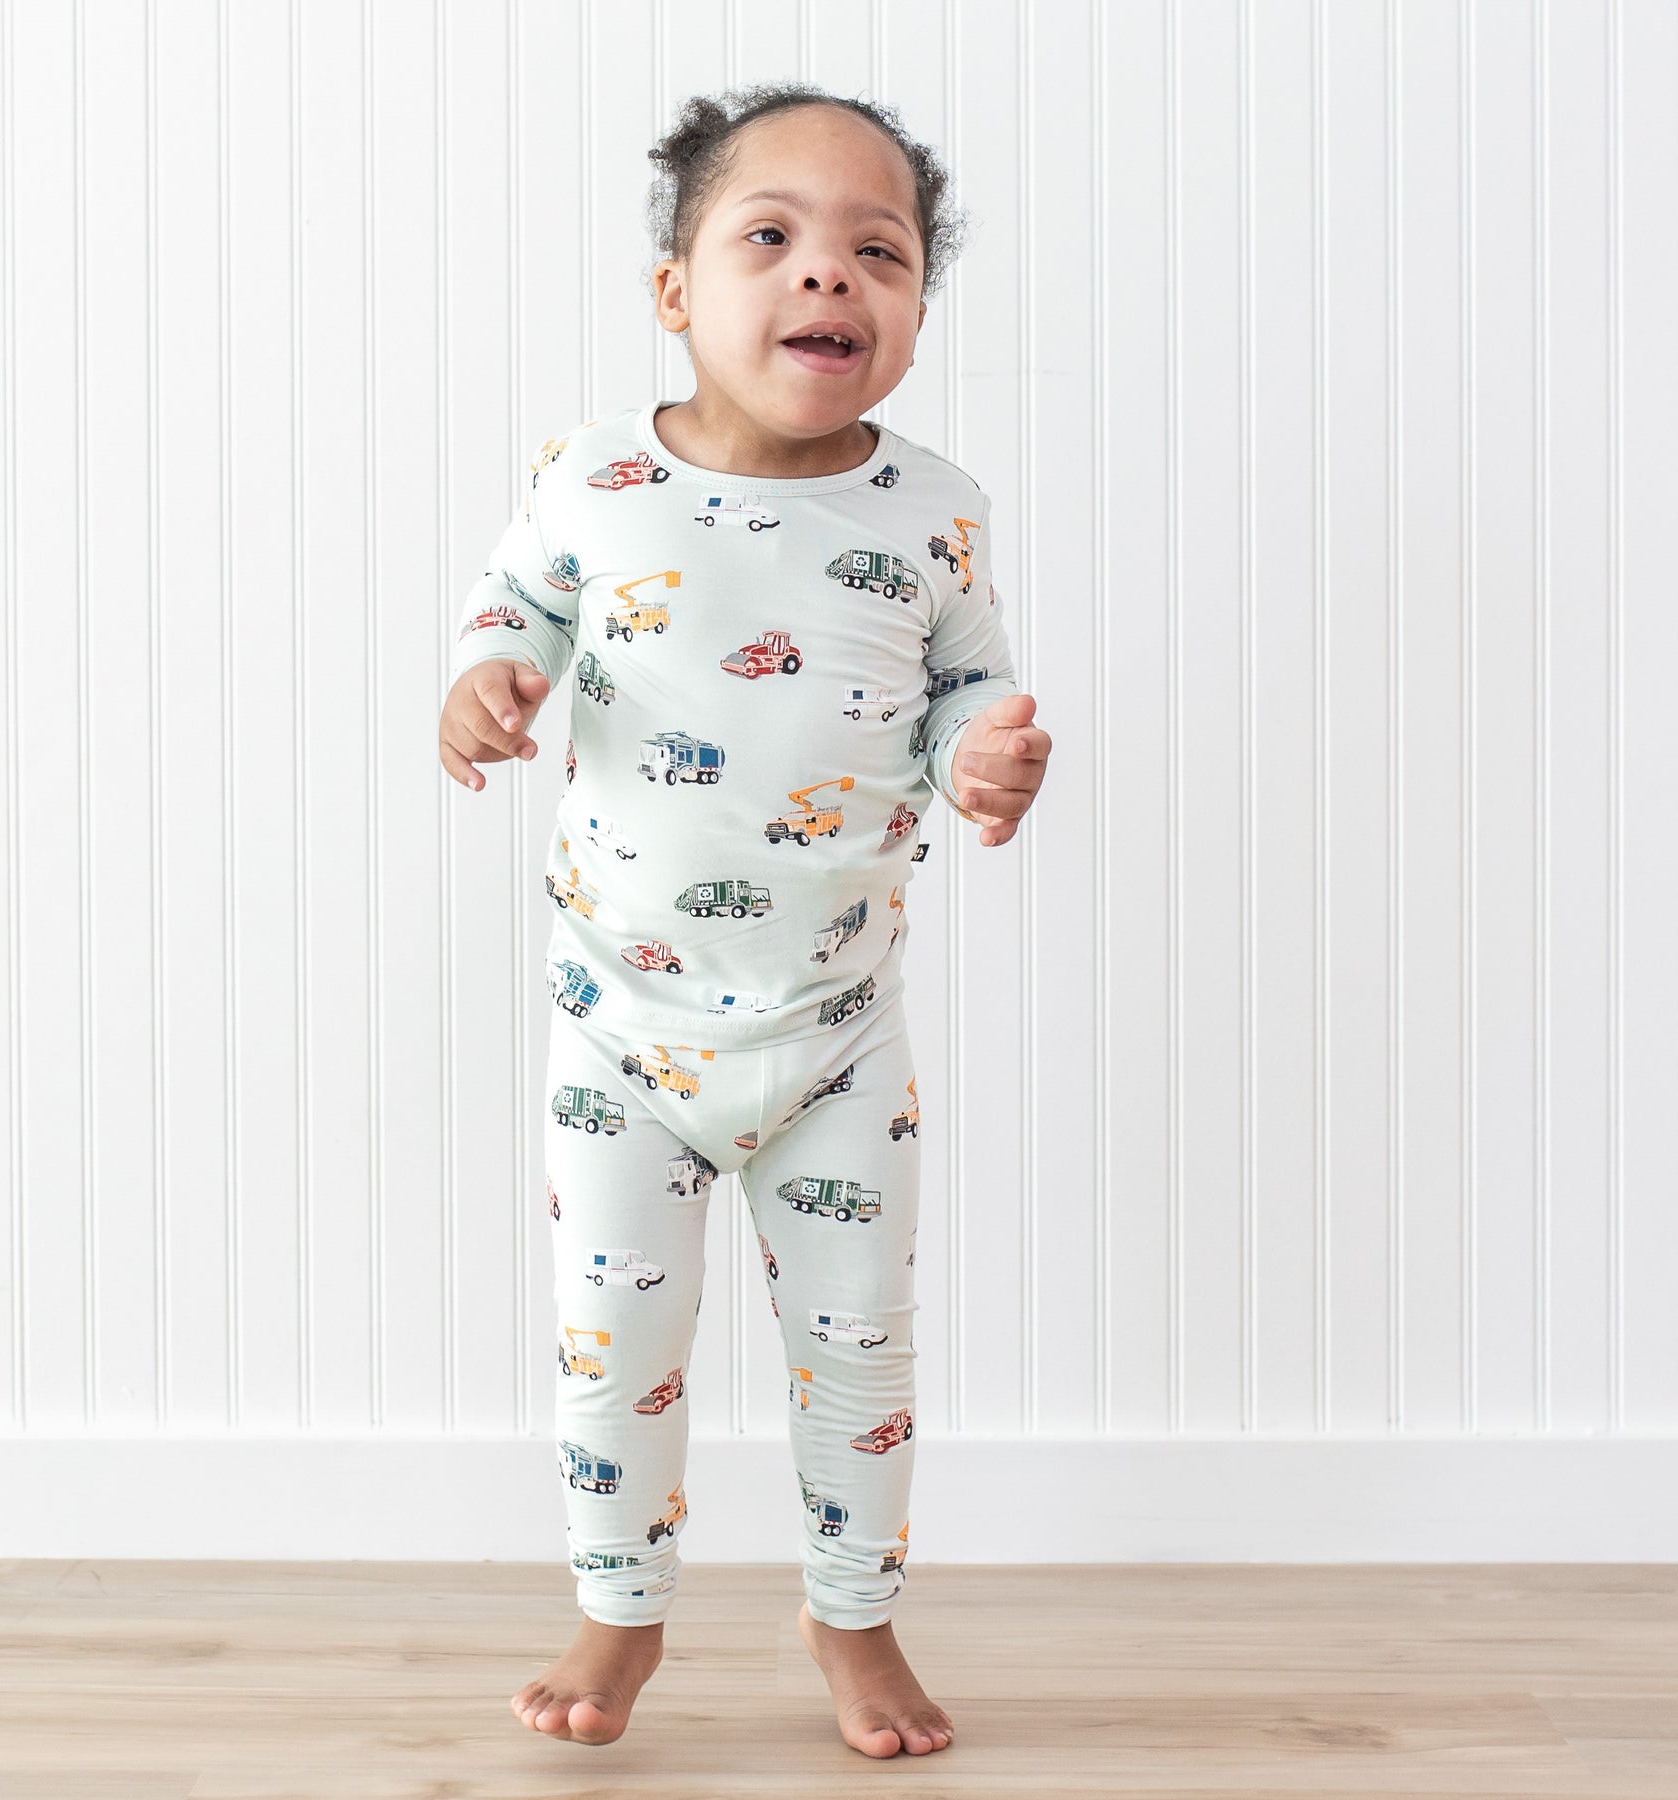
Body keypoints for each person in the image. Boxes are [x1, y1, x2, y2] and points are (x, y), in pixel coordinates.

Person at [437, 81, 1051, 1761]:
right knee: (611, 1350)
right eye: (770, 238)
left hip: (838, 1037)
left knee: (860, 1354)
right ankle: (615, 1615)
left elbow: (966, 695)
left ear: (917, 306)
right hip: (620, 1038)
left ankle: (852, 1619)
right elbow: (514, 606)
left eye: (879, 252)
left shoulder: (934, 510)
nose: (828, 280)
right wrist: (484, 687)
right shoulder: (592, 476)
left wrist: (988, 758)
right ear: (676, 292)